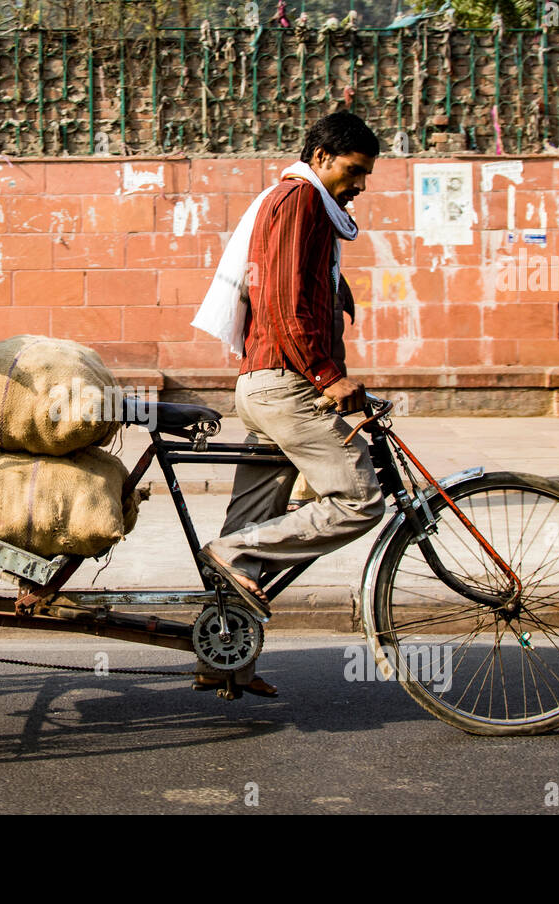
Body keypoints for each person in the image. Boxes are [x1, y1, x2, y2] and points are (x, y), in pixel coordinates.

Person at [192, 111, 387, 697]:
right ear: (323, 156)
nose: (359, 185)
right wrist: (329, 378)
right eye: (354, 171)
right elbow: (279, 301)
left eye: (366, 176)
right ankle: (231, 552)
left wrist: (341, 379)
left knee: (250, 521)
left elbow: (308, 303)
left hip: (271, 383)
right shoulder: (297, 201)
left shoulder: (314, 209)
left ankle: (223, 660)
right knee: (360, 499)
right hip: (285, 385)